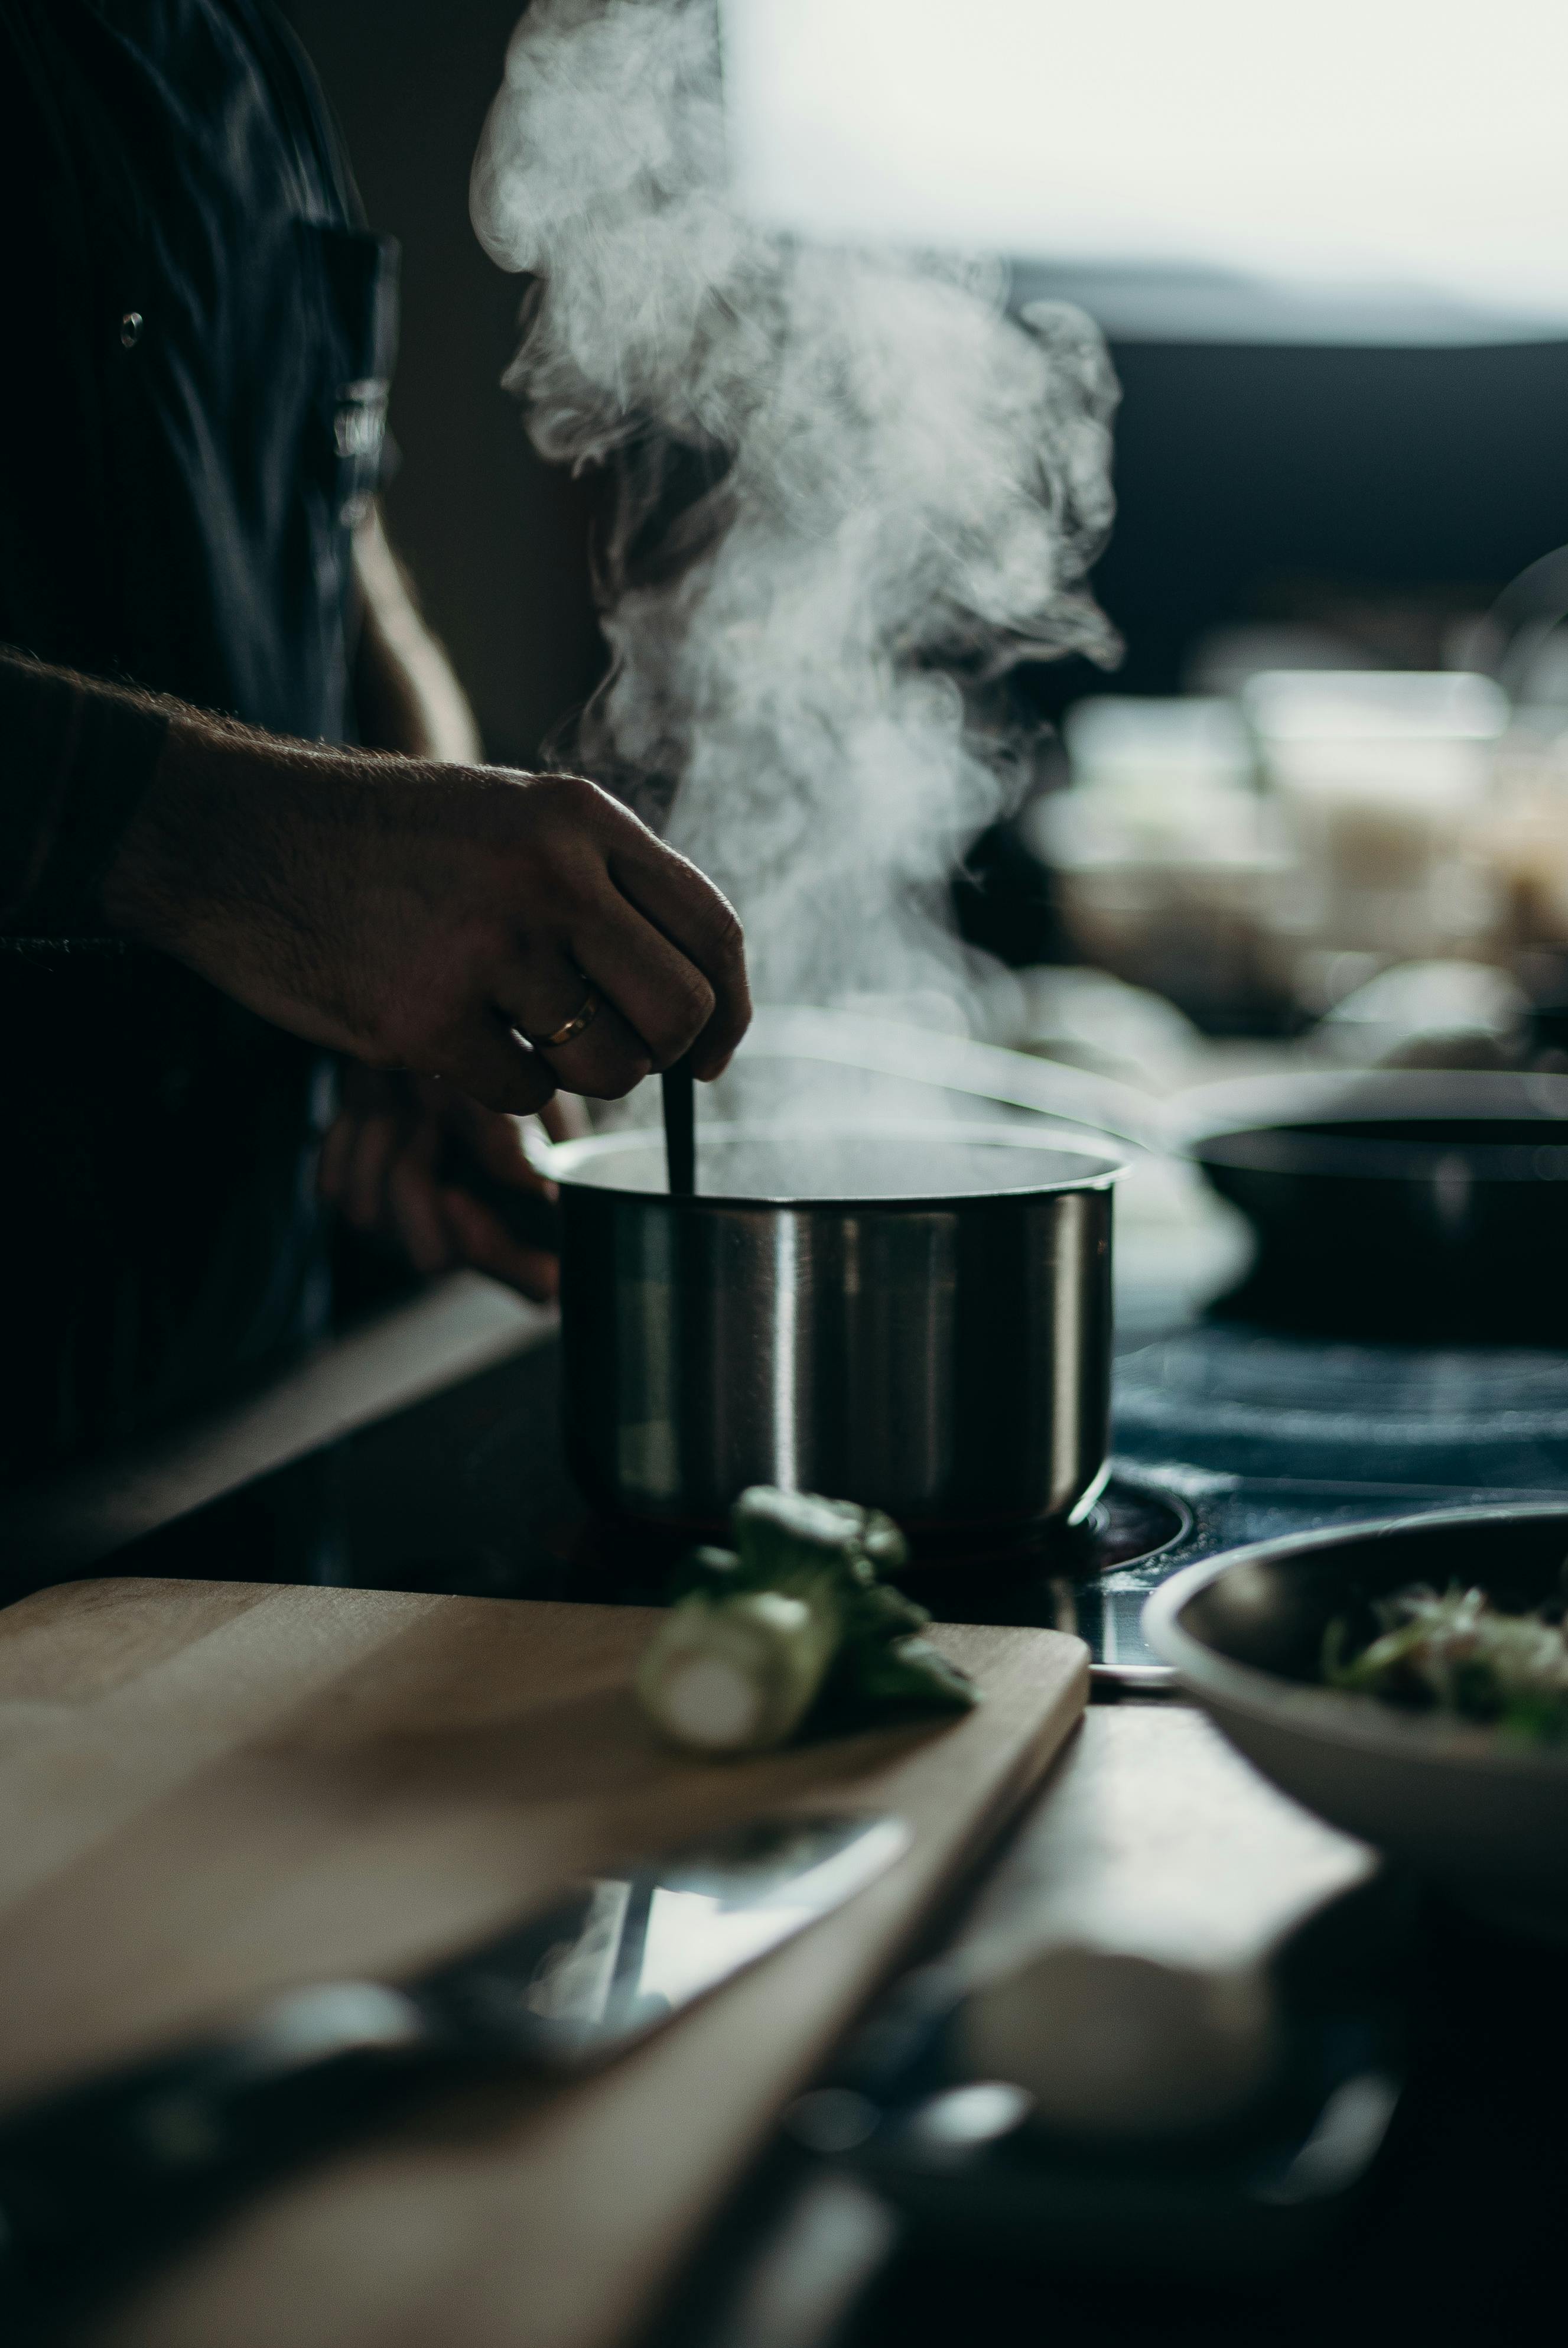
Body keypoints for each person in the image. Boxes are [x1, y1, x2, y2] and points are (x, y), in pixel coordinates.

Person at [0, 0, 749, 1487]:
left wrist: (428, 923)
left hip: (217, 1369)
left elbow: (334, 526)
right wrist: (261, 855)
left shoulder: (227, 48)